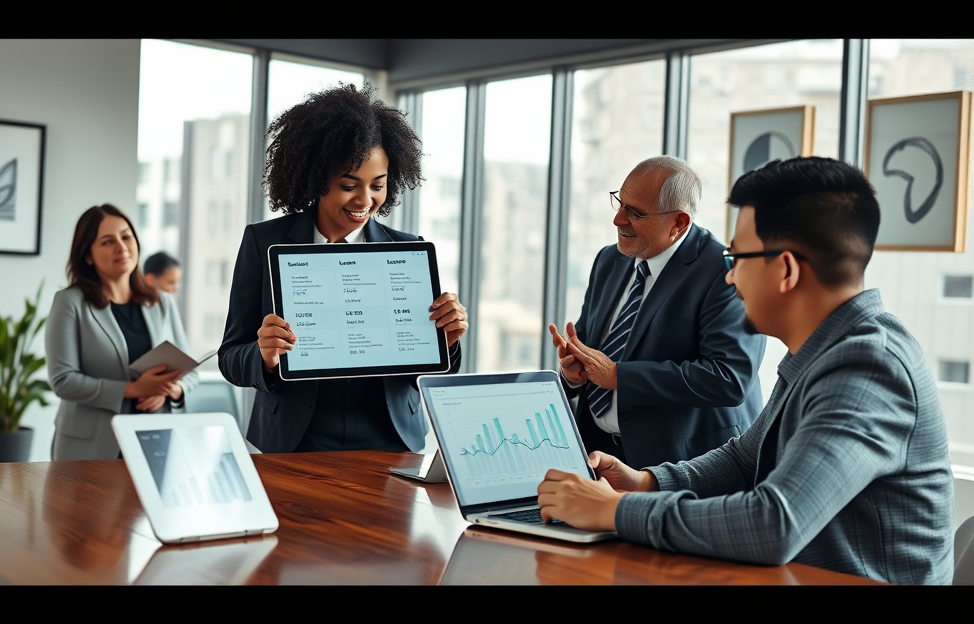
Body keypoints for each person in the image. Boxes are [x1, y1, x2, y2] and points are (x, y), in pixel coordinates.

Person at [537, 156, 954, 585]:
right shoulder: (822, 353)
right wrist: (644, 482)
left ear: (786, 270)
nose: (731, 277)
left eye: (738, 258)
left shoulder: (868, 367)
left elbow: (774, 524)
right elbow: (743, 460)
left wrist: (613, 510)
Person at [218, 83, 468, 454]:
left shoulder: (408, 249)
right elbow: (230, 358)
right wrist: (264, 356)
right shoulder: (262, 242)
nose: (365, 200)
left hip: (391, 441)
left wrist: (445, 341)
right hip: (295, 442)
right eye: (349, 185)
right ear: (316, 180)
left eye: (377, 186)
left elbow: (427, 366)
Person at [550, 156, 765, 468]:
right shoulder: (609, 260)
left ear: (678, 222)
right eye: (620, 203)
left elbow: (729, 378)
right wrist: (572, 374)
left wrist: (618, 376)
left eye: (635, 213)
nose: (618, 220)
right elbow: (590, 349)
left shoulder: (725, 271)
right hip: (597, 454)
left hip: (683, 465)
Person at [45, 204, 199, 460]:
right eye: (107, 241)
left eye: (126, 236)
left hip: (155, 440)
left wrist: (171, 390)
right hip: (90, 448)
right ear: (88, 255)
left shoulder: (162, 302)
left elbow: (190, 371)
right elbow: (63, 380)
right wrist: (133, 389)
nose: (122, 246)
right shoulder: (69, 303)